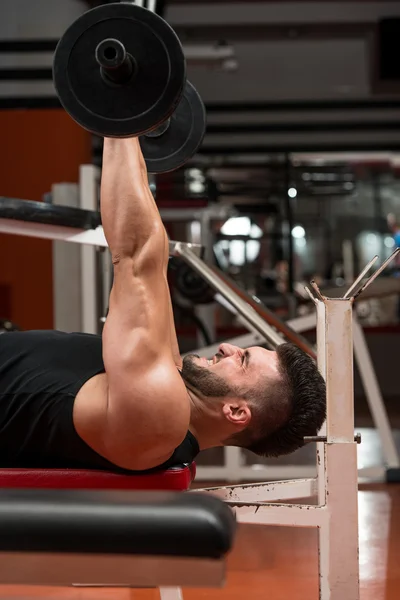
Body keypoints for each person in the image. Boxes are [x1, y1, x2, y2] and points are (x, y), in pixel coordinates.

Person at [0, 138, 326, 473]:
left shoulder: (160, 417)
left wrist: (119, 122)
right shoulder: (171, 390)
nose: (229, 347)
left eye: (243, 360)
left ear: (237, 412)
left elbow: (137, 255)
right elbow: (153, 258)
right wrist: (135, 130)